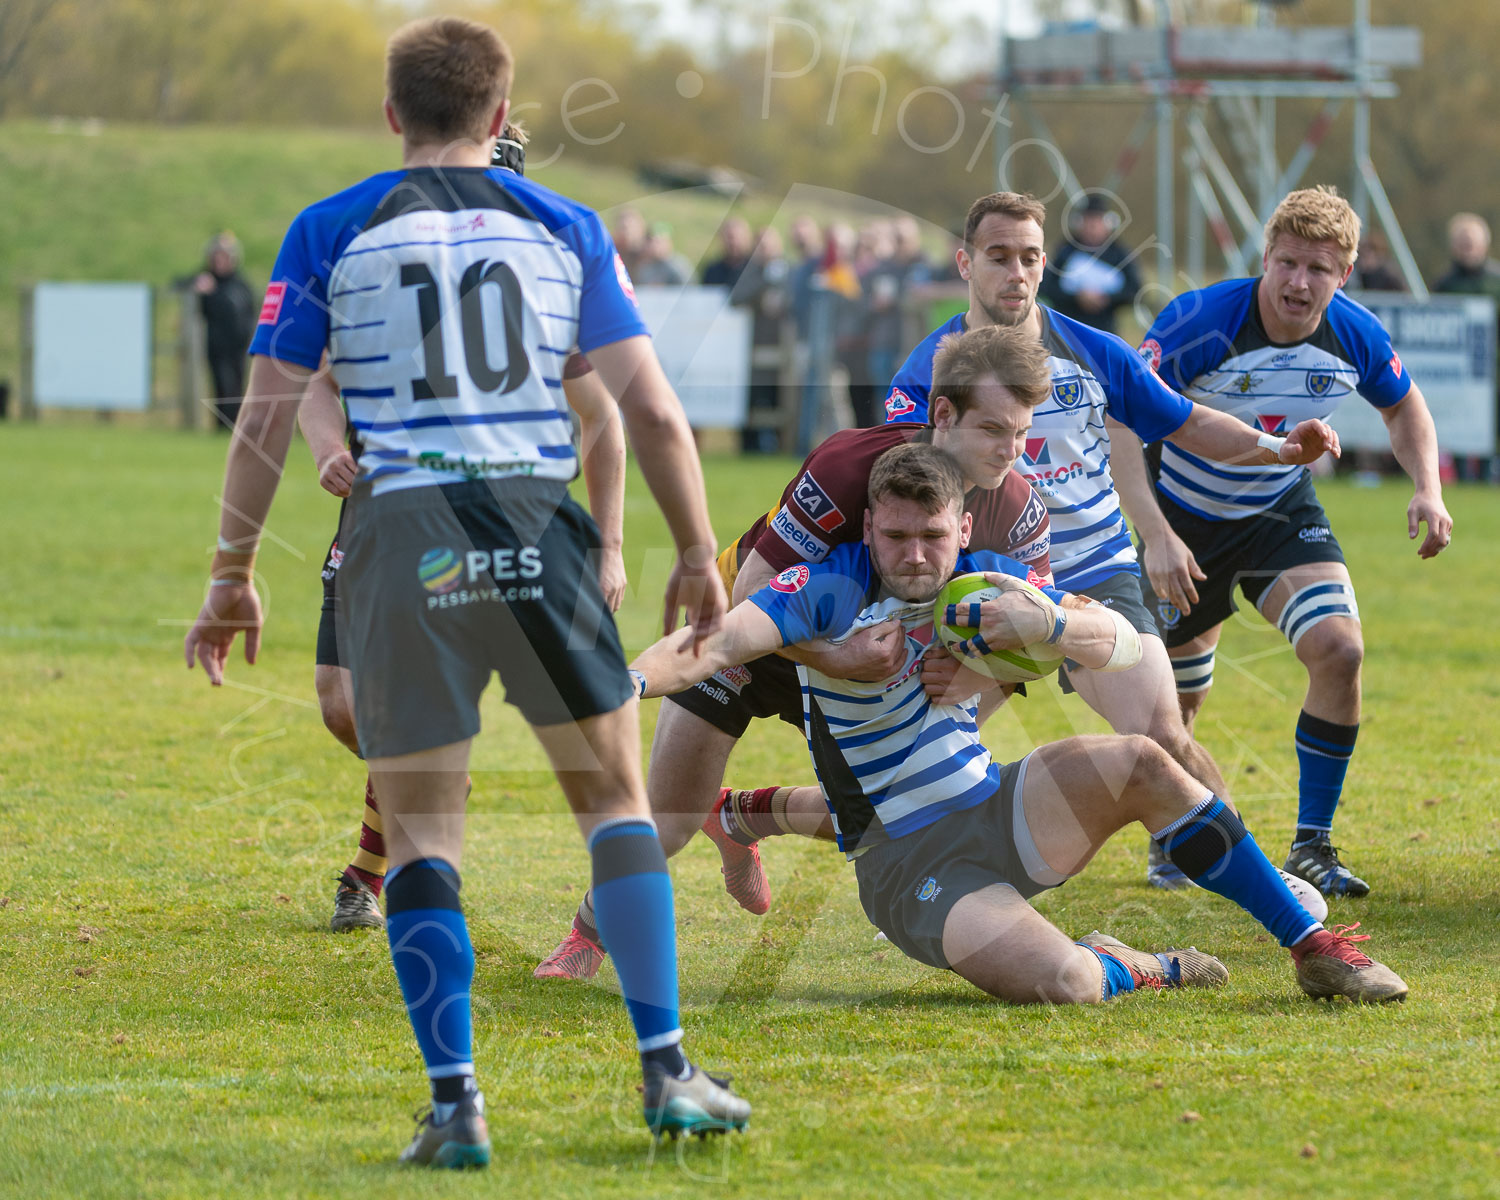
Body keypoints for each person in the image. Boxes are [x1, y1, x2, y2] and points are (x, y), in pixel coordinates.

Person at [182, 16, 749, 1164]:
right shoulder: (570, 226)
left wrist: (232, 574)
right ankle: (668, 1069)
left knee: (427, 831)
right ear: (501, 117)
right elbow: (644, 411)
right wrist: (694, 549)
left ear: (393, 116)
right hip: (537, 526)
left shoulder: (327, 228)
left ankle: (457, 1108)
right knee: (614, 810)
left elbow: (263, 418)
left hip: (401, 540)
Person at [628, 442, 1408, 1006]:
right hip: (908, 869)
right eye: (895, 537)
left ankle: (1311, 949)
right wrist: (628, 679)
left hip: (998, 806)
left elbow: (1123, 643)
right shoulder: (826, 593)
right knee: (1067, 985)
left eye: (933, 537)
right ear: (867, 530)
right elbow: (720, 640)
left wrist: (1047, 621)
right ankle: (1140, 965)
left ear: (962, 531)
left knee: (1142, 760)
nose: (914, 556)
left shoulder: (987, 587)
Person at [535, 323, 1056, 979]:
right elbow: (754, 595)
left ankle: (742, 817)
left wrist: (976, 675)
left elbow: (1035, 638)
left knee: (907, 805)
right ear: (944, 413)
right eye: (994, 431)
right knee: (670, 818)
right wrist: (836, 660)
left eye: (1021, 432)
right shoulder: (847, 466)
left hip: (885, 666)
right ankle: (588, 931)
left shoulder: (1019, 508)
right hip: (757, 642)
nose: (1011, 451)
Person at [881, 192, 1339, 890]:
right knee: (922, 745)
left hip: (1095, 571)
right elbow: (892, 474)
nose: (1016, 273)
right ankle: (923, 885)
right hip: (984, 587)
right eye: (999, 258)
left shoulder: (1093, 351)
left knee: (1160, 729)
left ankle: (1263, 882)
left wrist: (1276, 449)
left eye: (1031, 258)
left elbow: (1187, 421)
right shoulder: (930, 367)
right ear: (965, 262)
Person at [301, 124, 630, 935]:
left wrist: (612, 546)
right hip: (381, 516)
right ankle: (421, 796)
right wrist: (326, 447)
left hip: (506, 526)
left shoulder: (535, 288)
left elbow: (609, 420)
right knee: (343, 708)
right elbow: (314, 383)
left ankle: (374, 868)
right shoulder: (387, 269)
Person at [1119, 185, 1452, 897]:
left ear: (1344, 275)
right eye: (1289, 264)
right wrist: (1154, 535)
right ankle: (1174, 835)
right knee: (1174, 708)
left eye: (1319, 270)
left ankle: (1312, 846)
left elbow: (1405, 406)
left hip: (1277, 513)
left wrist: (1428, 485)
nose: (1300, 283)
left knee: (1341, 649)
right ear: (1265, 258)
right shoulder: (1200, 321)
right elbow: (1124, 419)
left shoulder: (1354, 334)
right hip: (1184, 519)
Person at [1432, 211, 1500, 481]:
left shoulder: (1495, 281)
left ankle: (1486, 474)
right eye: (1462, 242)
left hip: (1490, 369)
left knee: (1489, 425)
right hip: (1457, 373)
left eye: (1471, 242)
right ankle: (1461, 476)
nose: (1467, 248)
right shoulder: (1445, 284)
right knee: (1458, 423)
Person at [183, 232, 258, 431]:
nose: (219, 262)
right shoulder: (207, 280)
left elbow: (245, 310)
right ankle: (222, 427)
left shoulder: (239, 283)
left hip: (239, 344)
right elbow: (180, 284)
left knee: (237, 386)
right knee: (221, 386)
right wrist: (200, 287)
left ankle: (234, 426)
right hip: (217, 345)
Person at [1039, 194, 1142, 337]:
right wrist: (1077, 297)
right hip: (1067, 331)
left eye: (1097, 220)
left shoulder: (1119, 253)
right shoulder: (1065, 251)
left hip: (1105, 332)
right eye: (1088, 220)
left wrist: (1106, 298)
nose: (1092, 226)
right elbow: (1047, 287)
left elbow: (1134, 289)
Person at [732, 226, 792, 452]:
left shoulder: (788, 269)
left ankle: (779, 445)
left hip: (783, 345)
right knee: (753, 397)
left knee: (780, 397)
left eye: (768, 244)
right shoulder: (751, 272)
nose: (764, 249)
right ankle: (749, 446)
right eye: (760, 245)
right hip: (754, 345)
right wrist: (763, 283)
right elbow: (736, 297)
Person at [633, 221, 691, 287]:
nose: (653, 245)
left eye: (658, 242)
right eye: (650, 241)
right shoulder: (644, 267)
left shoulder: (678, 266)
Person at [702, 216, 752, 288]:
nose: (733, 243)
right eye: (729, 238)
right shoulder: (712, 271)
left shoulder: (755, 270)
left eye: (738, 238)